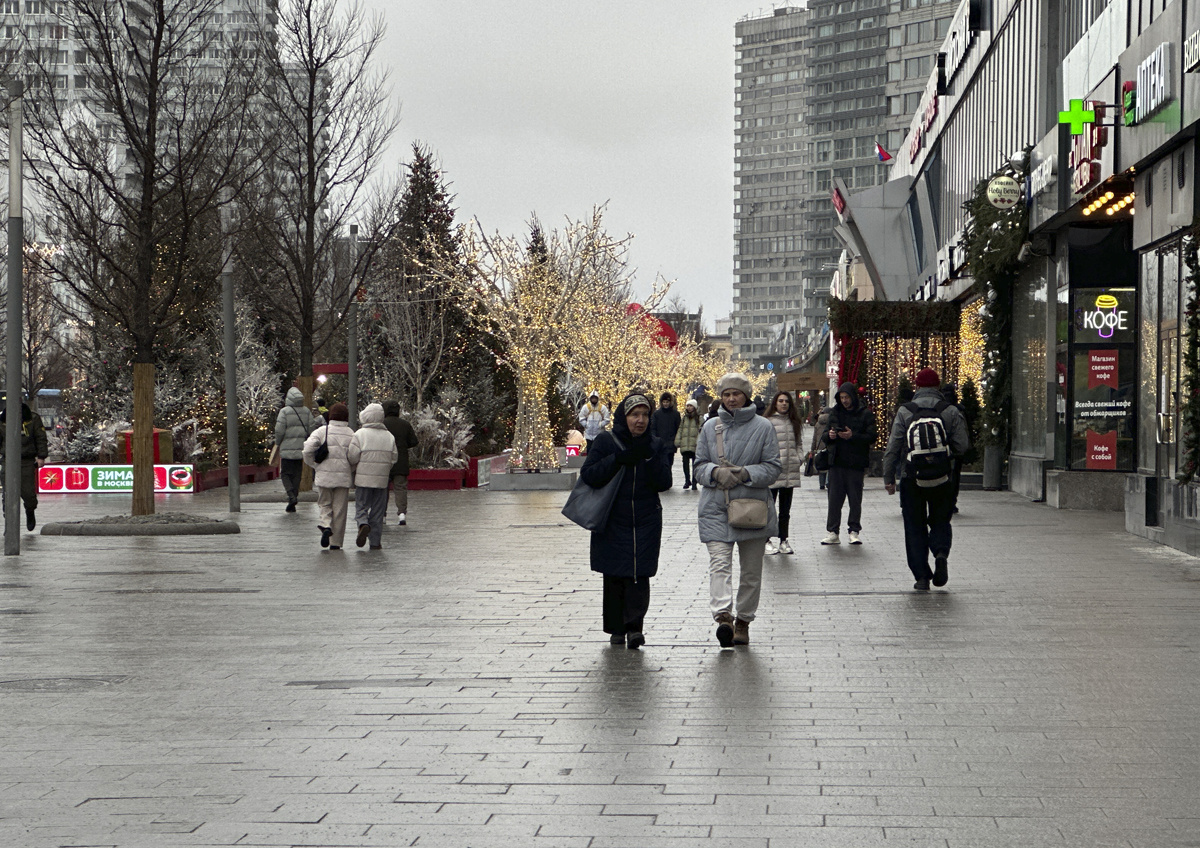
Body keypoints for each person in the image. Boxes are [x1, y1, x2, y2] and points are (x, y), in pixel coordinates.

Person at [578, 393, 672, 649]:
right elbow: (589, 475)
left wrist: (649, 457)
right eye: (634, 415)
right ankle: (616, 629)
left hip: (646, 519)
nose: (640, 420)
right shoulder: (606, 441)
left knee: (639, 574)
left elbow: (664, 482)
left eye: (644, 415)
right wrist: (618, 459)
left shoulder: (655, 444)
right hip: (612, 518)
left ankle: (635, 628)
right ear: (624, 416)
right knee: (615, 574)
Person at [695, 372, 781, 647]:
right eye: (726, 394)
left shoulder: (764, 427)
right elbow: (698, 466)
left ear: (746, 396)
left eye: (736, 393)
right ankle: (723, 616)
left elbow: (773, 468)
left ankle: (743, 620)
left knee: (751, 570)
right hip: (715, 507)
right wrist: (713, 472)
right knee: (719, 563)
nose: (731, 399)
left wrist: (745, 473)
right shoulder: (710, 427)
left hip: (751, 508)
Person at [882, 367, 970, 591]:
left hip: (912, 477)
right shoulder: (949, 410)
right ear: (938, 386)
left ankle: (921, 576)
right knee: (941, 520)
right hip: (942, 477)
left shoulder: (905, 411)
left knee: (914, 525)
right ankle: (940, 553)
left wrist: (889, 477)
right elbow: (963, 446)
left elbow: (892, 447)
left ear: (917, 386)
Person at [816, 382, 877, 545]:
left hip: (856, 463)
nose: (844, 401)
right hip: (836, 462)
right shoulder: (835, 413)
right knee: (834, 499)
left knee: (855, 499)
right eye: (842, 397)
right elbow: (824, 437)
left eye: (847, 397)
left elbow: (872, 436)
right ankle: (833, 531)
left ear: (853, 397)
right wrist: (830, 435)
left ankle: (854, 530)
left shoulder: (864, 414)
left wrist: (853, 436)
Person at [303, 402, 356, 551]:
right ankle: (336, 542)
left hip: (324, 475)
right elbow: (355, 456)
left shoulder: (321, 431)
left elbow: (307, 450)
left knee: (324, 503)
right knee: (340, 509)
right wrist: (349, 468)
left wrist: (314, 465)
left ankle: (326, 524)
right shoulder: (351, 433)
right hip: (343, 477)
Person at [349, 403, 399, 550]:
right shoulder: (389, 436)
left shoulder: (359, 435)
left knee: (362, 505)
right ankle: (375, 542)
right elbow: (394, 457)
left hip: (363, 479)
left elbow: (352, 456)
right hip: (382, 479)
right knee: (378, 509)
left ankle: (363, 523)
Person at [765, 391, 804, 555]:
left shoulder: (794, 421)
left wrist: (799, 458)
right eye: (780, 401)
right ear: (775, 403)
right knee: (769, 509)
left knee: (785, 511)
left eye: (786, 401)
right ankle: (766, 540)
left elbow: (799, 443)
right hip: (774, 473)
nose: (783, 404)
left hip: (790, 471)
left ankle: (783, 540)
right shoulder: (768, 422)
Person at [0, 401, 48, 531]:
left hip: (26, 460)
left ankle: (30, 511)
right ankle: (10, 526)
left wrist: (41, 456)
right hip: (7, 460)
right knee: (7, 494)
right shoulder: (3, 419)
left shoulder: (33, 418)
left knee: (28, 494)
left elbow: (40, 438)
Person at [274, 387, 319, 512]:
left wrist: (278, 442)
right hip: (301, 448)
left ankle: (291, 495)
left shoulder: (284, 412)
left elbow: (279, 430)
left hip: (287, 448)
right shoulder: (306, 411)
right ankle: (294, 497)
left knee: (285, 474)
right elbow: (311, 429)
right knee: (297, 474)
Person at [382, 401, 419, 526]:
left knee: (383, 489)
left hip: (384, 461)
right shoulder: (405, 424)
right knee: (400, 488)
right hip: (401, 460)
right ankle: (402, 514)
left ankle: (382, 515)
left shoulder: (382, 424)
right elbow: (414, 441)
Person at [650, 391, 681, 485]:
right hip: (660, 442)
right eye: (664, 402)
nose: (665, 404)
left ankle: (668, 480)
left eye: (667, 402)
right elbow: (653, 427)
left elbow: (678, 428)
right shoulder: (657, 414)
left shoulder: (675, 414)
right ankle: (662, 479)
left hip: (671, 442)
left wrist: (676, 440)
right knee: (660, 462)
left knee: (669, 462)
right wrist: (655, 439)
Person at [674, 398, 702, 490]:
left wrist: (699, 442)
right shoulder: (684, 418)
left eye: (691, 406)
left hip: (695, 445)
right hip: (685, 445)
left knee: (695, 464)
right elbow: (680, 430)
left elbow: (701, 431)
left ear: (694, 407)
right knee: (685, 463)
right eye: (688, 406)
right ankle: (687, 480)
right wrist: (678, 441)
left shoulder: (699, 418)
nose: (689, 408)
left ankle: (694, 482)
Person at [808, 395, 828, 491]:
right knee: (829, 466)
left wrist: (812, 449)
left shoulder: (818, 423)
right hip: (829, 447)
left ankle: (821, 484)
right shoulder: (832, 422)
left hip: (819, 447)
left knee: (821, 466)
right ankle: (828, 482)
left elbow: (814, 438)